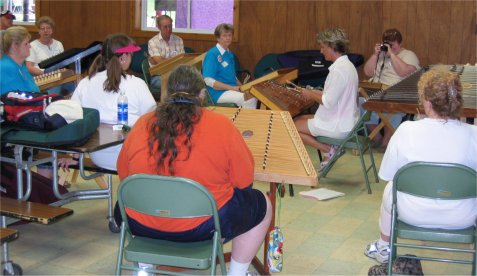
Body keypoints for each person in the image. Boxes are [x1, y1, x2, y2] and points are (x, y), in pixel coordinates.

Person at [115, 64, 272, 276]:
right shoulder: (221, 125)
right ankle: (237, 273)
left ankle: (145, 267)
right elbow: (244, 183)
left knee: (128, 201)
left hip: (138, 222)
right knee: (262, 203)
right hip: (200, 227)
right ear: (202, 94)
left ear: (167, 94)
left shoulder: (143, 123)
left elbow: (124, 176)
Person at [364, 66, 477, 264]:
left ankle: (383, 246)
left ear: (426, 102)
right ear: (459, 101)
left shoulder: (406, 130)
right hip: (463, 216)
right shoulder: (474, 134)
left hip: (411, 212)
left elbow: (387, 174)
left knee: (392, 186)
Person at [61, 33, 156, 171]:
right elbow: (151, 118)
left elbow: (75, 118)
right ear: (123, 58)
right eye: (131, 55)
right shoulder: (136, 84)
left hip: (98, 156)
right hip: (132, 156)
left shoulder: (85, 83)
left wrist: (76, 157)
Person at [293, 28, 359, 169]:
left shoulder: (338, 70)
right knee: (299, 119)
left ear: (332, 47)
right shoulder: (347, 65)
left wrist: (310, 93)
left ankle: (328, 149)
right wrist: (313, 92)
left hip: (339, 125)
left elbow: (328, 102)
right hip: (345, 119)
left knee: (290, 127)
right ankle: (331, 148)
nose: (321, 51)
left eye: (323, 47)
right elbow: (332, 95)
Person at [361, 28, 420, 148]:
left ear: (400, 43)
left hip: (396, 95)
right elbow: (367, 72)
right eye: (388, 44)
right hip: (375, 92)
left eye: (393, 44)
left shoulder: (408, 55)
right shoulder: (381, 55)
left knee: (393, 108)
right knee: (360, 103)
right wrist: (375, 54)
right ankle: (377, 137)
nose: (390, 47)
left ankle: (386, 142)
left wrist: (392, 55)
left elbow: (403, 72)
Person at [202, 23, 257, 108]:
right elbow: (208, 80)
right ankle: (246, 121)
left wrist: (243, 87)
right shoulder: (212, 54)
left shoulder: (230, 54)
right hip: (218, 93)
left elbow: (233, 77)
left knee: (253, 95)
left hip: (231, 89)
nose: (228, 38)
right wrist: (232, 88)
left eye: (230, 35)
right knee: (249, 99)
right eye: (224, 35)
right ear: (218, 38)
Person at [147, 14, 184, 89]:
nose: (168, 29)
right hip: (158, 76)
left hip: (177, 75)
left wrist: (164, 60)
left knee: (190, 82)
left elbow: (183, 61)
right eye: (165, 27)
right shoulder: (153, 42)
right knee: (176, 84)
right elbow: (160, 62)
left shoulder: (179, 40)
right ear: (159, 27)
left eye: (170, 26)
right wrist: (175, 61)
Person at [0, 26, 39, 95]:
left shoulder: (21, 65)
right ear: (14, 46)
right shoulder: (5, 67)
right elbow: (16, 100)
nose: (30, 46)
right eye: (26, 44)